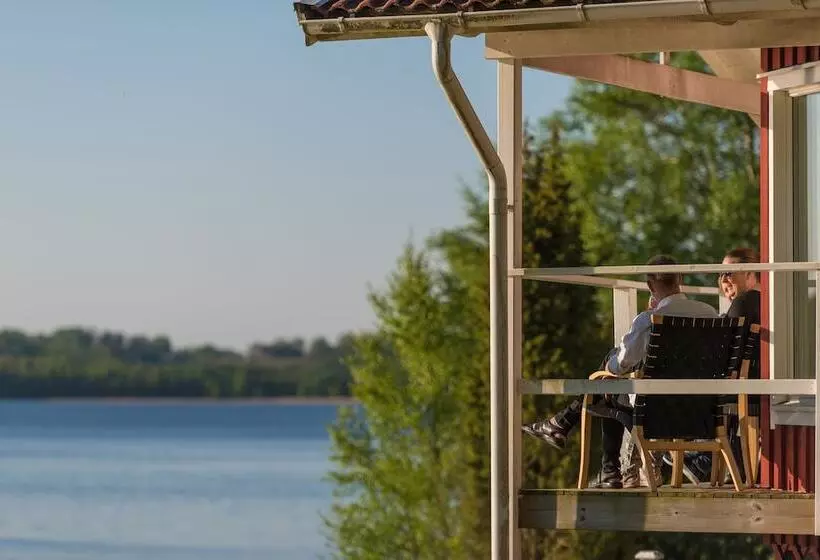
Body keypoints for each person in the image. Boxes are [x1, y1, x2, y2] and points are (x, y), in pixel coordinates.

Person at [522, 255, 719, 489]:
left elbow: (619, 366)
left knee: (608, 382)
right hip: (704, 410)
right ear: (681, 279)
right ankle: (564, 428)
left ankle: (602, 463)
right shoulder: (709, 314)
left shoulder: (649, 320)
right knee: (610, 384)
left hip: (655, 412)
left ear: (649, 285)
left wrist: (609, 367)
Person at [662, 247, 761, 484]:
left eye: (729, 273)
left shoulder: (744, 301)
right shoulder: (763, 302)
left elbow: (717, 347)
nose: (723, 280)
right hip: (751, 382)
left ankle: (695, 458)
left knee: (675, 381)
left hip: (742, 385)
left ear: (750, 273)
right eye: (720, 275)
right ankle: (705, 462)